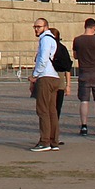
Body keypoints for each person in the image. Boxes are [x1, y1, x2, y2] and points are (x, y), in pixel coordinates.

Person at [30, 17, 63, 151]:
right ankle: (53, 140)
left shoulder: (45, 39)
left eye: (39, 26)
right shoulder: (52, 39)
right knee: (51, 111)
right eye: (35, 27)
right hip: (54, 77)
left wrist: (35, 75)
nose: (36, 29)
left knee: (43, 110)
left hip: (46, 77)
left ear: (46, 27)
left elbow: (42, 60)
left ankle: (45, 141)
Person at [72, 18, 95, 137]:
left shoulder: (77, 40)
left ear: (85, 26)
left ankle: (84, 126)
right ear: (94, 28)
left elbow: (75, 56)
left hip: (84, 73)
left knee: (84, 101)